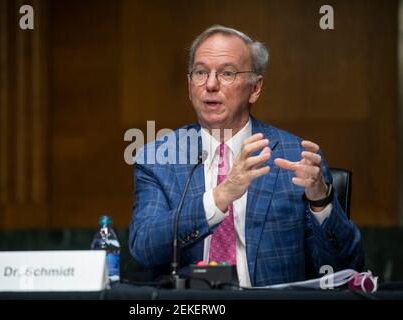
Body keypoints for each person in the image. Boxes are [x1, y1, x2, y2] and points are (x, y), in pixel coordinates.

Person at [129, 25, 364, 287]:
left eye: (227, 73)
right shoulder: (159, 158)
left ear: (255, 88)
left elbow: (346, 268)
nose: (210, 84)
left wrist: (321, 201)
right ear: (189, 85)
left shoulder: (295, 157)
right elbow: (144, 248)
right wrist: (220, 196)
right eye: (200, 72)